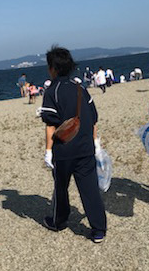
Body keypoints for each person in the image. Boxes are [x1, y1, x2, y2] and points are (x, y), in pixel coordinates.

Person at [39, 46, 107, 243]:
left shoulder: (52, 91)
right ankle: (98, 229)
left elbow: (51, 125)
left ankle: (58, 221)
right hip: (85, 147)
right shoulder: (81, 89)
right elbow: (93, 118)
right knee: (90, 189)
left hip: (63, 150)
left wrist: (48, 151)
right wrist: (95, 143)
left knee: (61, 188)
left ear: (52, 68)